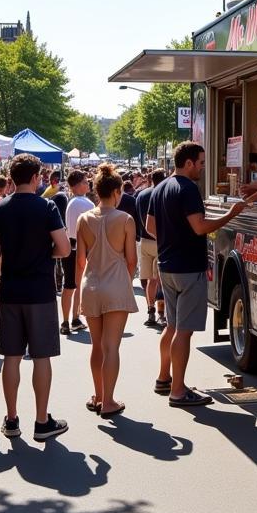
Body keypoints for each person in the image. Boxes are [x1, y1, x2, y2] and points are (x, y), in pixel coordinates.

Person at [147, 142, 245, 407]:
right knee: (184, 331)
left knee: (171, 325)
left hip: (167, 265)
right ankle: (178, 391)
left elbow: (150, 225)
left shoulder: (161, 187)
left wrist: (171, 241)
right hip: (188, 267)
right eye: (201, 163)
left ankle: (164, 378)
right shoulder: (188, 189)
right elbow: (200, 227)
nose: (203, 167)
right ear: (188, 163)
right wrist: (230, 215)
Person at [0, 153, 71, 441]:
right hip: (40, 291)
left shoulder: (0, 208)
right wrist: (43, 252)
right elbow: (64, 248)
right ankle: (41, 420)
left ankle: (11, 419)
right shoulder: (47, 207)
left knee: (10, 356)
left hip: (10, 290)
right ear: (36, 178)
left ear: (11, 177)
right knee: (41, 356)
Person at [77, 164, 138, 417]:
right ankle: (109, 401)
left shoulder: (84, 219)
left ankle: (99, 395)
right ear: (116, 191)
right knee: (112, 346)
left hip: (90, 285)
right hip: (115, 285)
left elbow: (81, 261)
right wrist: (127, 276)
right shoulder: (125, 219)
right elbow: (131, 260)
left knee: (96, 346)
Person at [61, 170, 93, 334]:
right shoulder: (86, 203)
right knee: (78, 285)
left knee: (69, 285)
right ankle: (74, 317)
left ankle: (68, 320)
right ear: (78, 185)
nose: (88, 184)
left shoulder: (72, 202)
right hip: (81, 248)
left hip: (69, 246)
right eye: (85, 182)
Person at [137, 169, 166, 328]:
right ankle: (162, 314)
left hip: (144, 240)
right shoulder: (163, 193)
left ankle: (150, 311)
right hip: (159, 239)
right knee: (160, 279)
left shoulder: (141, 195)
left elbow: (137, 217)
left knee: (149, 280)